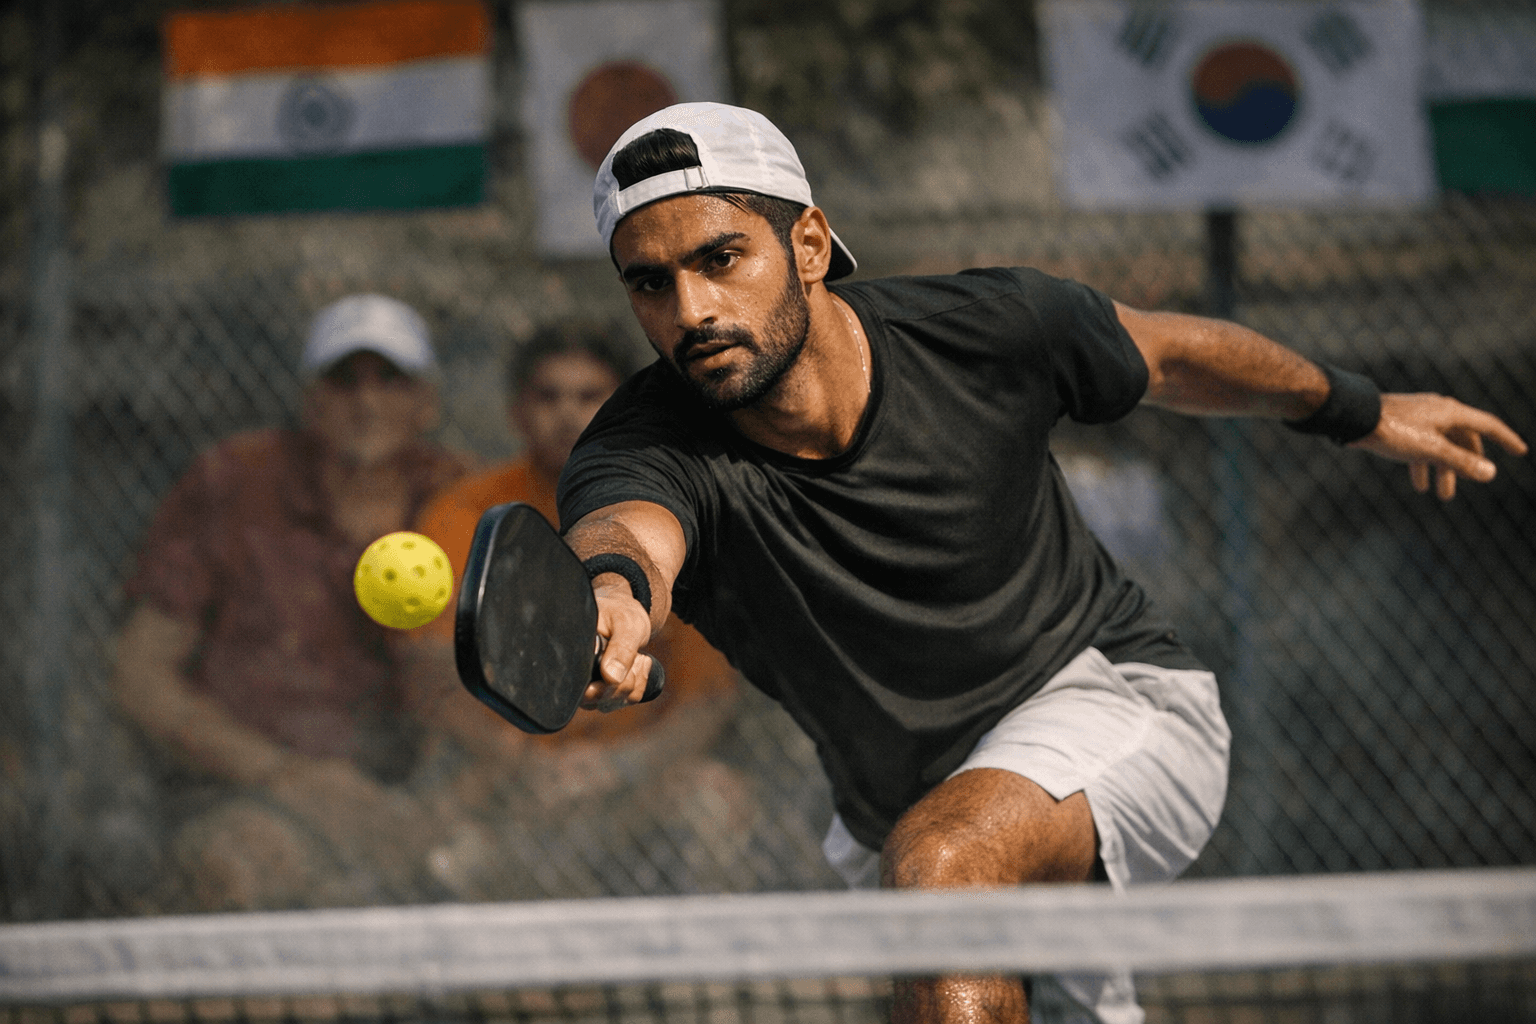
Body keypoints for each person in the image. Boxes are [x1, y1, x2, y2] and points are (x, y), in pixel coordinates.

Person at [551, 103, 1528, 1024]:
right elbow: (630, 535)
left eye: (722, 258)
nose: (691, 308)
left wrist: (1366, 411)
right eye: (649, 281)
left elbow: (1173, 354)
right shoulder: (637, 444)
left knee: (946, 863)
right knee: (946, 878)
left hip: (1112, 702)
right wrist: (614, 599)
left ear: (808, 245)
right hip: (899, 812)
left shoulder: (985, 329)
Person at [111, 294, 476, 911]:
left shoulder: (466, 498)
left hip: (433, 797)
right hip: (254, 790)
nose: (366, 402)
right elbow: (139, 675)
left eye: (391, 379)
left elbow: (509, 684)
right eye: (343, 380)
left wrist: (445, 805)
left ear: (427, 403)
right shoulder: (232, 483)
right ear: (309, 401)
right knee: (229, 868)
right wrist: (285, 777)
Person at [401, 322, 744, 899]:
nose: (567, 413)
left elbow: (708, 698)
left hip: (636, 781)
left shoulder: (675, 513)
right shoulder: (465, 511)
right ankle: (483, 990)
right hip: (498, 780)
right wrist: (520, 765)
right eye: (548, 396)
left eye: (589, 397)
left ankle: (696, 986)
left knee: (716, 802)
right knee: (431, 840)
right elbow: (432, 676)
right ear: (516, 411)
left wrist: (618, 769)